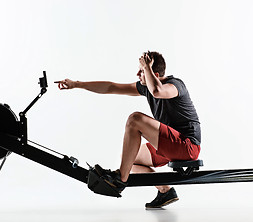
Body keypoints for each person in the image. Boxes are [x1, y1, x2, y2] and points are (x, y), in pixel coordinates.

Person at [55, 51, 201, 209]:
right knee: (128, 159)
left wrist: (148, 68)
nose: (138, 73)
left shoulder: (175, 85)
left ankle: (119, 180)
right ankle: (165, 191)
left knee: (135, 119)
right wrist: (77, 84)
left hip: (187, 146)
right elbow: (111, 87)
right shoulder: (146, 87)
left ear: (155, 74)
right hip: (171, 144)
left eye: (142, 70)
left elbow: (157, 92)